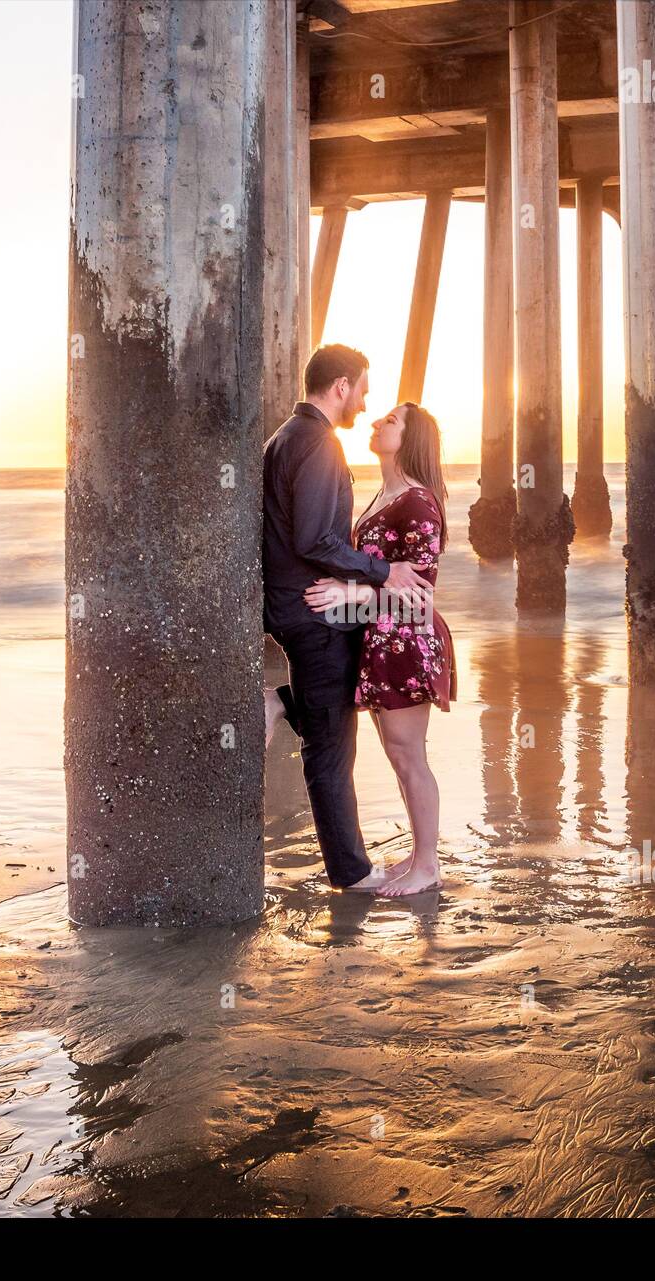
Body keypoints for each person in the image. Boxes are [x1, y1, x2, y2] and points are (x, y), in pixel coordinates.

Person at [262, 345, 432, 893]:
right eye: (362, 388)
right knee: (332, 746)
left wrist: (358, 584)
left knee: (330, 715)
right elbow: (316, 538)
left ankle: (279, 702)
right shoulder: (317, 443)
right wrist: (379, 572)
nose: (365, 400)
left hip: (297, 605)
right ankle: (352, 872)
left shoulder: (285, 438)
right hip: (314, 611)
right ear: (340, 387)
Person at [304, 402, 455, 897]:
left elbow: (422, 591)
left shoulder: (417, 502)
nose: (375, 423)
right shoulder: (380, 498)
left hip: (408, 639)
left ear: (411, 439)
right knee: (397, 754)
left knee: (409, 755)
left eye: (390, 421)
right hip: (378, 637)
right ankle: (418, 854)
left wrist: (351, 595)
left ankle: (428, 865)